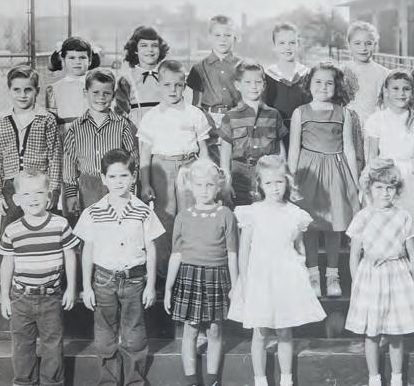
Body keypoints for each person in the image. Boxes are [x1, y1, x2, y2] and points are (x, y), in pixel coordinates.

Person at [228, 156, 326, 386]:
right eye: (269, 183)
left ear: (287, 182)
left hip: (285, 278)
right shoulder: (252, 212)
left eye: (279, 182)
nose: (275, 188)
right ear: (259, 185)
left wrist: (300, 270)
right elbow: (244, 251)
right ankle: (260, 380)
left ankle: (286, 379)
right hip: (259, 278)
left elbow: (299, 246)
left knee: (284, 330)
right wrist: (244, 281)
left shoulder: (295, 214)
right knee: (260, 331)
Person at [76, 149, 165, 386]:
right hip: (103, 280)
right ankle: (109, 381)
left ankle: (134, 380)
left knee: (134, 334)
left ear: (133, 177)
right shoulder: (93, 212)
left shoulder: (143, 211)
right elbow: (87, 250)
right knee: (105, 335)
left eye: (124, 175)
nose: (118, 182)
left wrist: (151, 286)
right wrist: (86, 286)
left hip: (135, 280)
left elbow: (151, 248)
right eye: (112, 176)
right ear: (103, 179)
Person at [345, 159, 414, 386]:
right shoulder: (362, 217)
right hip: (371, 275)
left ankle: (396, 377)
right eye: (379, 187)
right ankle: (374, 377)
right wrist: (356, 283)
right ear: (369, 189)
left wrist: (413, 280)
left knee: (395, 331)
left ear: (397, 190)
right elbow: (354, 256)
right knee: (371, 332)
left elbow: (412, 253)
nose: (385, 193)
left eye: (390, 188)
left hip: (398, 275)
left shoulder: (404, 216)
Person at [0, 169, 79, 386]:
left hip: (50, 297)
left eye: (39, 192)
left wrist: (71, 288)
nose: (33, 198)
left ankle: (52, 383)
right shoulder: (12, 230)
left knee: (52, 345)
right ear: (17, 200)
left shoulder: (60, 224)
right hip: (21, 297)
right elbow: (7, 263)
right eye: (26, 194)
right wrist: (4, 297)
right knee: (22, 347)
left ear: (49, 196)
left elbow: (70, 256)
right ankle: (24, 383)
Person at [289, 61, 360, 298]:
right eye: (318, 82)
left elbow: (349, 148)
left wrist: (355, 182)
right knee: (309, 225)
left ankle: (332, 275)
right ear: (309, 84)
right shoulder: (300, 112)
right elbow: (294, 149)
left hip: (335, 172)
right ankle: (312, 275)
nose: (323, 87)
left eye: (329, 83)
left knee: (334, 225)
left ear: (336, 86)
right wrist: (290, 180)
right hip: (307, 173)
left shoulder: (344, 113)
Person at [163, 159, 238, 386]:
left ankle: (213, 379)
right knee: (191, 330)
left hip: (217, 277)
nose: (204, 190)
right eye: (199, 185)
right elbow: (176, 254)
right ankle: (191, 380)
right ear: (190, 186)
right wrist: (168, 288)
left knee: (215, 330)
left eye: (209, 185)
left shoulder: (226, 214)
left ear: (218, 187)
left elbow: (232, 253)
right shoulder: (183, 217)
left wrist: (236, 286)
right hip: (189, 277)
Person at [137, 59, 211, 277]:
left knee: (190, 215)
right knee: (165, 217)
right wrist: (145, 184)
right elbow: (145, 154)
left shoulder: (194, 114)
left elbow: (204, 150)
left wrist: (206, 174)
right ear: (159, 85)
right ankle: (163, 272)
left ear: (184, 86)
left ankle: (190, 268)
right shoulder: (151, 117)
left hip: (189, 166)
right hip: (162, 168)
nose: (172, 90)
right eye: (167, 85)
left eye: (178, 85)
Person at [0, 65, 61, 240]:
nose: (22, 95)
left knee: (43, 231)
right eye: (17, 90)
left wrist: (53, 189)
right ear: (9, 90)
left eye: (28, 90)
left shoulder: (47, 119)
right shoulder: (1, 122)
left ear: (37, 91)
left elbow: (54, 157)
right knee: (9, 233)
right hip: (12, 186)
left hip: (39, 184)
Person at [63, 68, 138, 215]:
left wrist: (130, 189)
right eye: (95, 92)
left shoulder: (122, 124)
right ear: (86, 93)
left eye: (106, 93)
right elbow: (69, 161)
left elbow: (132, 157)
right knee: (92, 222)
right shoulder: (76, 127)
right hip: (88, 186)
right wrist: (71, 194)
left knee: (118, 221)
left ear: (113, 95)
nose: (101, 97)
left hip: (117, 183)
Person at [365, 70, 414, 234]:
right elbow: (372, 154)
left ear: (412, 92)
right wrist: (371, 180)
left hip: (412, 175)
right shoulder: (377, 119)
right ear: (386, 91)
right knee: (386, 220)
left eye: (406, 89)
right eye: (395, 88)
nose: (401, 93)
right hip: (385, 174)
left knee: (409, 221)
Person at [219, 61, 288, 207]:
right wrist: (226, 180)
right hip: (240, 176)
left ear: (264, 85)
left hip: (267, 175)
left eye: (258, 82)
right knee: (242, 214)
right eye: (248, 82)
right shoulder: (230, 117)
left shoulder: (274, 115)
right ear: (238, 85)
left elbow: (280, 149)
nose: (253, 86)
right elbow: (225, 153)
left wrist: (283, 173)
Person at [186, 15, 243, 163]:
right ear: (209, 37)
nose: (222, 39)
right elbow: (196, 105)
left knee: (234, 163)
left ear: (235, 37)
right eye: (217, 35)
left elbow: (247, 99)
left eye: (228, 35)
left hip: (236, 119)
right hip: (209, 120)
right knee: (212, 164)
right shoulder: (199, 68)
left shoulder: (243, 66)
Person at [343, 21, 389, 172]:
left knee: (372, 168)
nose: (363, 48)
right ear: (349, 45)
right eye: (357, 43)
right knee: (350, 167)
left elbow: (386, 105)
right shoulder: (342, 71)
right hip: (348, 127)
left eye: (368, 43)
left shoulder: (383, 73)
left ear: (375, 45)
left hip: (373, 128)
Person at [114, 26, 170, 125]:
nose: (150, 49)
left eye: (154, 45)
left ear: (160, 49)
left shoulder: (169, 77)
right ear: (135, 49)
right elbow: (120, 113)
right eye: (144, 45)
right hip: (136, 131)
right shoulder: (126, 80)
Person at [263, 22, 310, 135]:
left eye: (292, 43)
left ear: (298, 44)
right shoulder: (268, 75)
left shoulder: (307, 74)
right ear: (274, 46)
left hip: (303, 132)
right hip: (275, 132)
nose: (287, 47)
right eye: (282, 43)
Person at [45, 36, 99, 131]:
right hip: (65, 135)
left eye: (82, 57)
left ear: (90, 61)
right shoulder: (54, 89)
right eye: (72, 58)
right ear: (63, 60)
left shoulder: (98, 86)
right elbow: (51, 122)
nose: (77, 62)